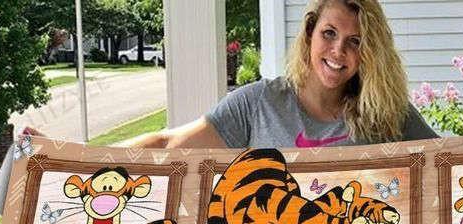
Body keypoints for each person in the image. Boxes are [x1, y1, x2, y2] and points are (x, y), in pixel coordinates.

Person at [132, 0, 436, 150]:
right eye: (329, 33)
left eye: (354, 42)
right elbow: (169, 145)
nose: (338, 51)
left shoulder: (387, 112)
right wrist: (101, 159)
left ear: (369, 52)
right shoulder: (258, 103)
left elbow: (449, 165)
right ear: (310, 32)